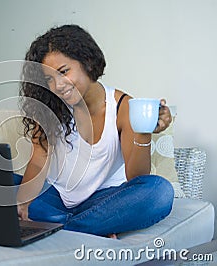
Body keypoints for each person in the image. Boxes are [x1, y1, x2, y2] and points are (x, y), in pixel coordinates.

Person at [16, 24, 174, 238]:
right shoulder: (51, 106)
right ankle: (92, 226)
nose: (58, 85)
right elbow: (37, 161)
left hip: (104, 200)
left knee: (159, 192)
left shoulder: (122, 107)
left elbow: (137, 177)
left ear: (87, 62)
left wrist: (143, 132)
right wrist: (23, 201)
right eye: (49, 79)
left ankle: (64, 229)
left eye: (64, 72)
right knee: (1, 182)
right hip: (55, 198)